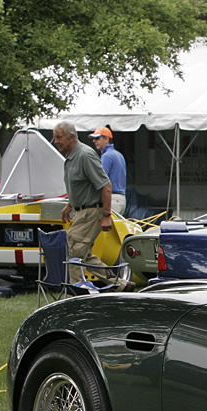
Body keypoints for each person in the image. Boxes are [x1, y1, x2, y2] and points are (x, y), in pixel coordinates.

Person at [51, 121, 131, 289]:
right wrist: (69, 206)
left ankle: (77, 289)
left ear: (72, 137)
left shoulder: (85, 155)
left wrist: (106, 216)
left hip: (92, 211)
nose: (55, 141)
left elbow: (105, 185)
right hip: (83, 210)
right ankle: (120, 284)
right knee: (85, 254)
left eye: (59, 137)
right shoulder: (71, 157)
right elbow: (81, 186)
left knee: (75, 250)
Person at [90, 126, 127, 216]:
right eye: (94, 138)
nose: (94, 141)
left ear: (106, 139)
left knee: (103, 229)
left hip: (112, 199)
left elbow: (100, 180)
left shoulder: (106, 156)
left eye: (97, 138)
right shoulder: (118, 154)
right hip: (121, 199)